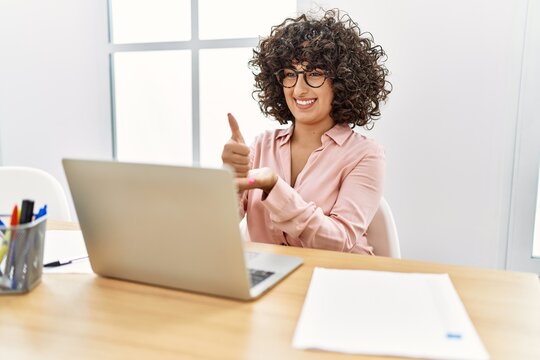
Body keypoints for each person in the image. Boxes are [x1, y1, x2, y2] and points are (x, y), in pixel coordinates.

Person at [221, 8, 391, 254]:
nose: (299, 89)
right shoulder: (261, 145)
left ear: (342, 80)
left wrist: (274, 187)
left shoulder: (366, 155)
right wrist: (231, 178)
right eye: (290, 74)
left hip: (337, 278)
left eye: (314, 74)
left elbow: (339, 240)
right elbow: (223, 224)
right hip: (271, 281)